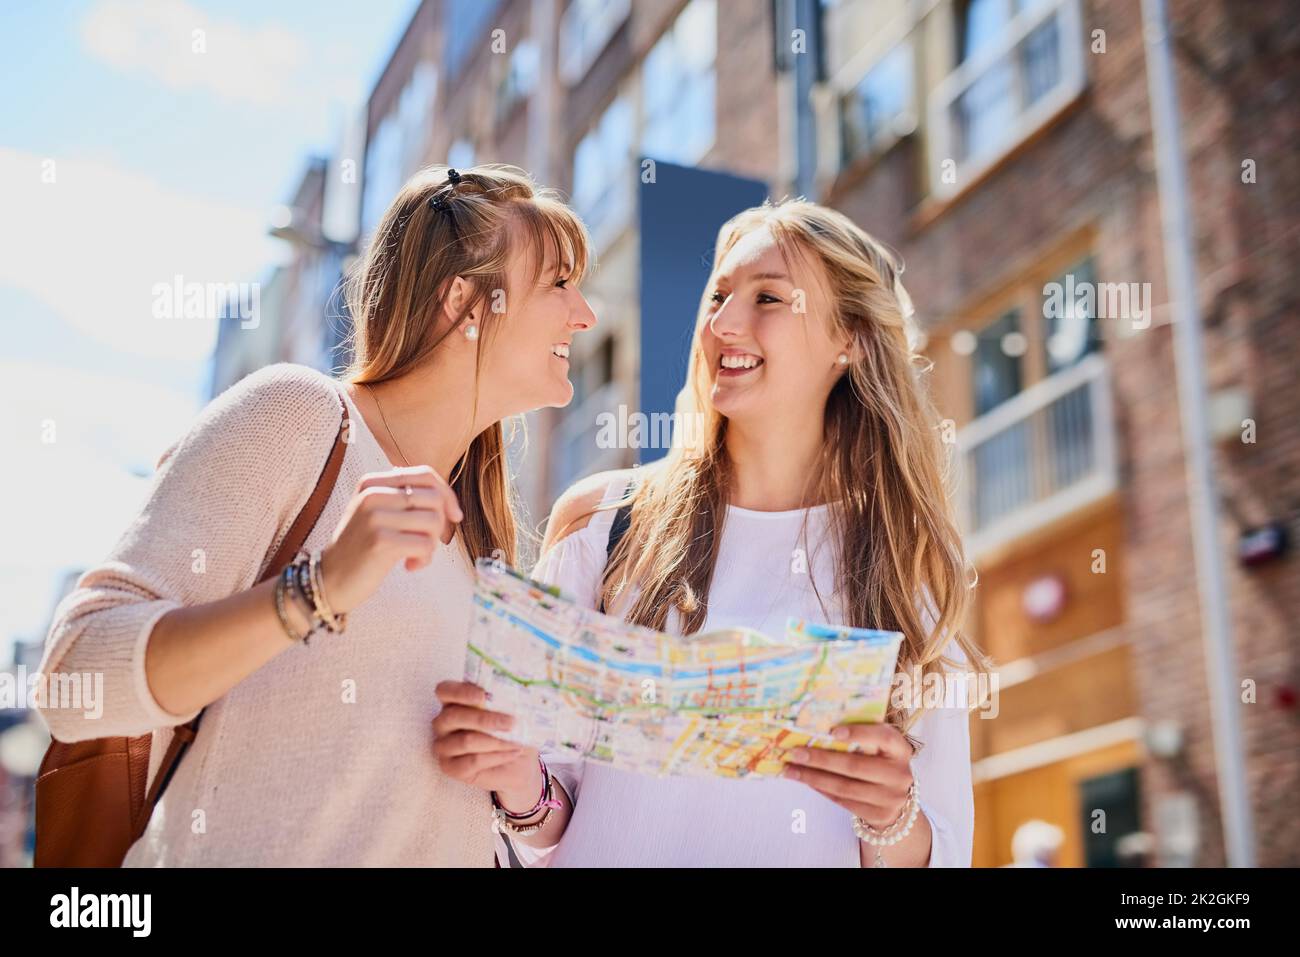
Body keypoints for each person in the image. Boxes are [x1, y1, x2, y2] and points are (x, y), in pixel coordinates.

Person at [37, 164, 596, 865]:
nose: (584, 314)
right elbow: (72, 678)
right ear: (467, 304)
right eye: (558, 284)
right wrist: (317, 590)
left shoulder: (477, 545)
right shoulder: (300, 417)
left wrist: (520, 788)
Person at [434, 198, 989, 867]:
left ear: (850, 340)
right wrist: (518, 780)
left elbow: (946, 849)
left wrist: (890, 815)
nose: (724, 322)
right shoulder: (603, 522)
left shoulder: (906, 567)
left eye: (769, 299)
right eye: (719, 295)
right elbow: (543, 820)